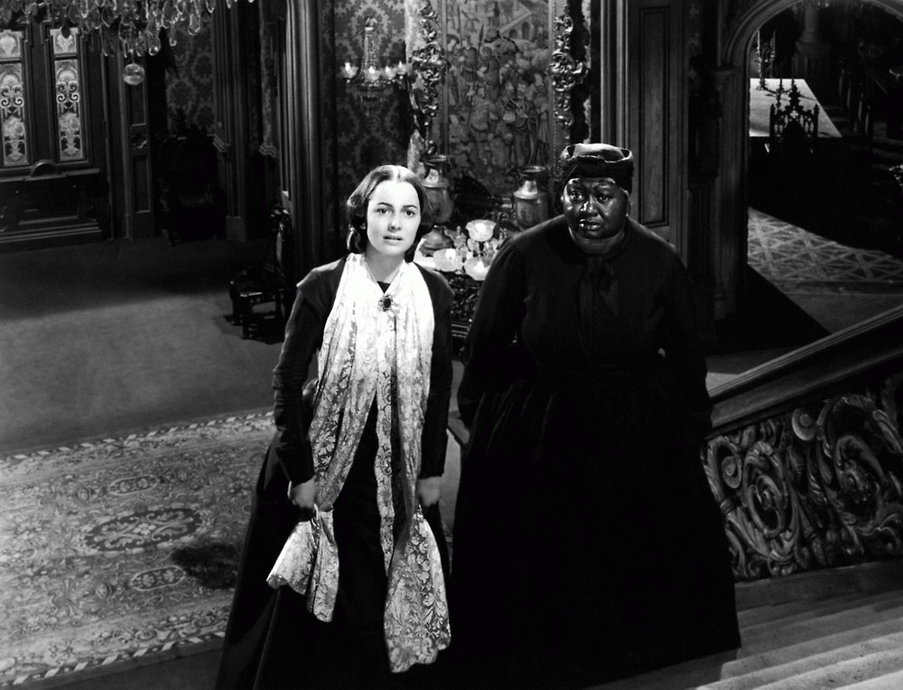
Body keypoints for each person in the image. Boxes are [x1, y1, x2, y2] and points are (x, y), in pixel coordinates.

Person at [450, 143, 741, 687]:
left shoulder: (660, 260)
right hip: (543, 417)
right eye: (576, 193)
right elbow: (485, 346)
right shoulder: (524, 253)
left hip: (635, 418)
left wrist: (689, 425)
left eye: (602, 195)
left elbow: (687, 355)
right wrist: (480, 418)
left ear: (626, 198)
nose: (587, 207)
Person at [216, 164, 454, 689]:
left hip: (401, 459)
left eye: (408, 212)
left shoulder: (433, 291)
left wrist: (431, 470)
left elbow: (438, 389)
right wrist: (300, 473)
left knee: (395, 576)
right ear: (362, 217)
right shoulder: (323, 285)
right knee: (324, 598)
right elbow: (287, 381)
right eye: (383, 210)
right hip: (324, 461)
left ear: (421, 223)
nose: (395, 223)